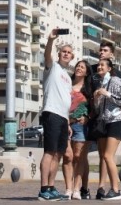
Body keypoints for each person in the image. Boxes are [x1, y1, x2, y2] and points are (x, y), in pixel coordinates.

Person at [38, 30, 75, 201]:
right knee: (49, 151)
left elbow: (66, 101)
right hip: (51, 113)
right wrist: (50, 40)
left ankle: (51, 187)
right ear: (59, 54)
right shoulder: (52, 68)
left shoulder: (68, 78)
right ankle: (43, 188)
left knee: (59, 154)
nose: (66, 54)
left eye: (69, 53)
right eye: (64, 52)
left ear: (72, 57)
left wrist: (67, 122)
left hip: (62, 118)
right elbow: (47, 55)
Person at [93, 57, 121, 200]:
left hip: (115, 122)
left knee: (107, 156)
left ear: (109, 68)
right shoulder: (101, 83)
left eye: (102, 65)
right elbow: (98, 109)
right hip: (104, 123)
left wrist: (108, 94)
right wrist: (96, 99)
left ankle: (116, 190)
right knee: (105, 156)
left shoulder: (115, 81)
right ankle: (112, 189)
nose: (99, 67)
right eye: (98, 65)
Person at [65, 59, 93, 200]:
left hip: (81, 126)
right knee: (67, 156)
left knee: (78, 156)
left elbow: (94, 107)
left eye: (82, 67)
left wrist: (87, 116)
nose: (79, 68)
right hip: (66, 124)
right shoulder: (66, 84)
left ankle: (77, 189)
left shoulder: (88, 89)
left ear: (87, 72)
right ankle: (68, 189)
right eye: (78, 66)